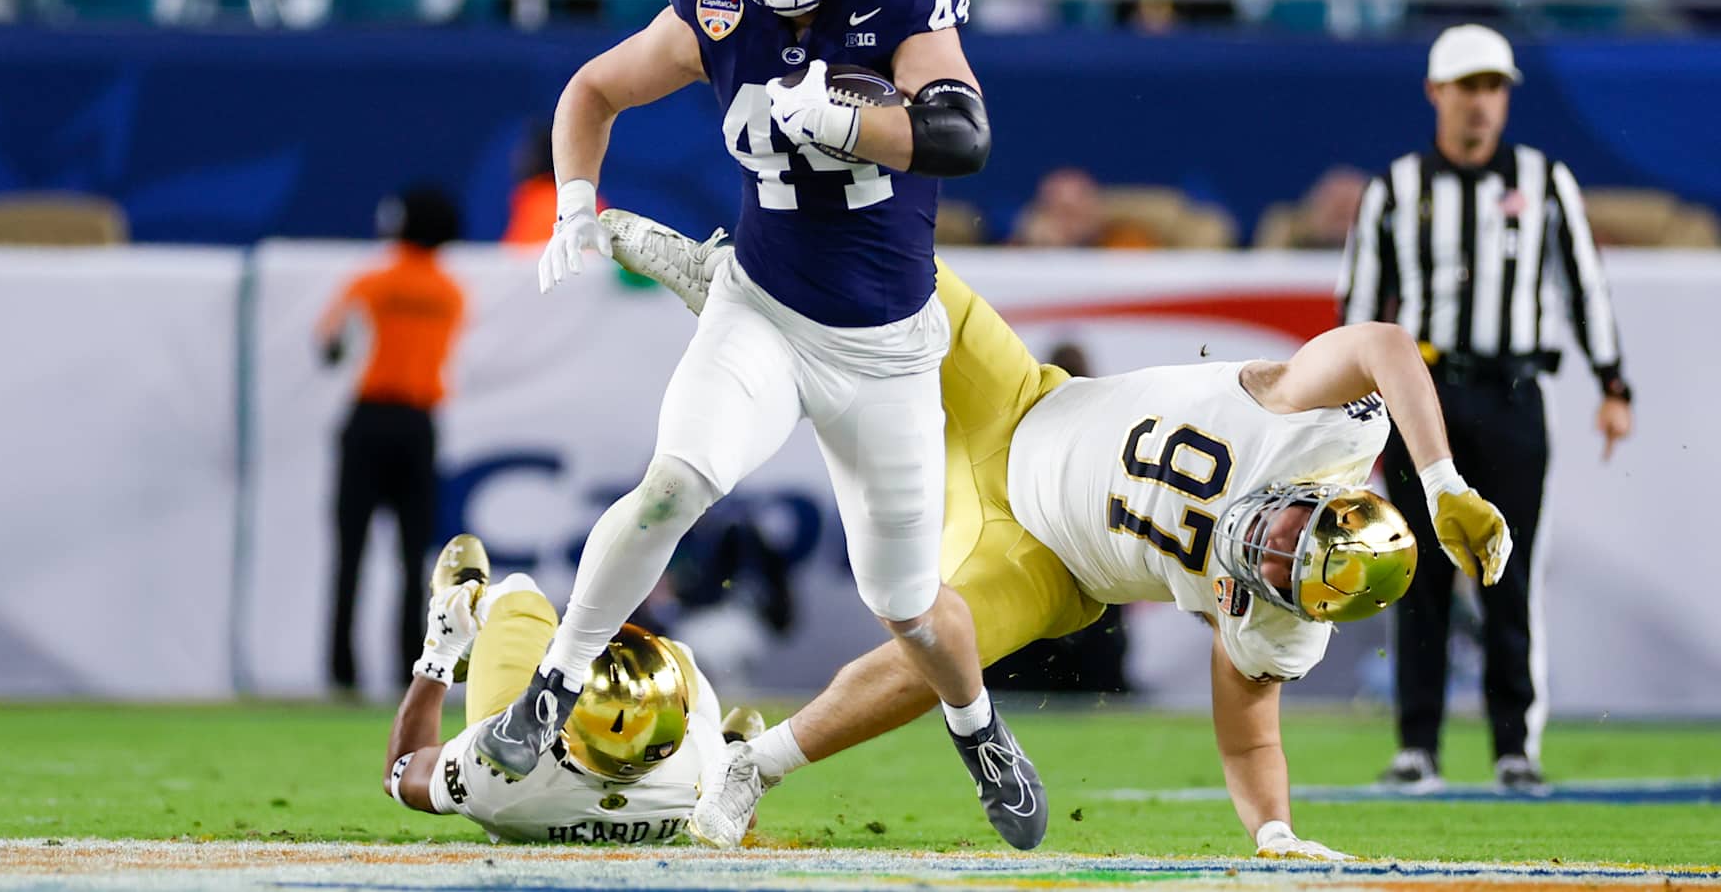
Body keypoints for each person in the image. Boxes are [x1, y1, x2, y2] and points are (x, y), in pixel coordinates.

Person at [595, 206, 1513, 857]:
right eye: (1286, 536)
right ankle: (725, 276)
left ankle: (755, 765)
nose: (1264, 552)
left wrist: (1274, 834)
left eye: (1279, 572)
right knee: (896, 251)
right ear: (1316, 501)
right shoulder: (1325, 425)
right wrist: (1443, 485)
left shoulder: (1284, 623)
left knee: (928, 641)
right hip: (1024, 404)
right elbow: (1386, 345)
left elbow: (1249, 739)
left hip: (1049, 564)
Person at [470, 0, 1040, 849]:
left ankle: (979, 727)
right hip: (761, 309)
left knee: (908, 605)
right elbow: (592, 90)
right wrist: (571, 200)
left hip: (887, 348)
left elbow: (963, 136)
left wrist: (849, 121)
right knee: (672, 483)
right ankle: (551, 688)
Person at [1340, 23, 1633, 794]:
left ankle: (1515, 746)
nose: (1482, 103)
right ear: (1436, 92)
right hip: (1424, 396)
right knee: (1416, 574)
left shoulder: (1544, 179)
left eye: (1494, 86)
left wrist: (1613, 383)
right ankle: (1417, 746)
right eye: (1468, 86)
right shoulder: (1396, 190)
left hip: (1512, 393)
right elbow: (1362, 312)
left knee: (1512, 570)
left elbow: (1584, 285)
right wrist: (1350, 412)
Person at [385, 533, 760, 843]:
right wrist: (730, 758)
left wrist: (440, 652)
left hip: (524, 776)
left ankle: (461, 616)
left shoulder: (496, 772)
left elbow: (401, 769)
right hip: (684, 785)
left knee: (521, 593)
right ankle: (737, 752)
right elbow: (744, 814)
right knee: (680, 655)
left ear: (565, 719)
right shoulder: (698, 765)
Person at [316, 185, 467, 692]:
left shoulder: (372, 281)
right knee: (413, 557)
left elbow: (330, 343)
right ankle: (411, 669)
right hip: (417, 425)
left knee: (350, 551)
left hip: (368, 421)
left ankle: (342, 673)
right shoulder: (450, 293)